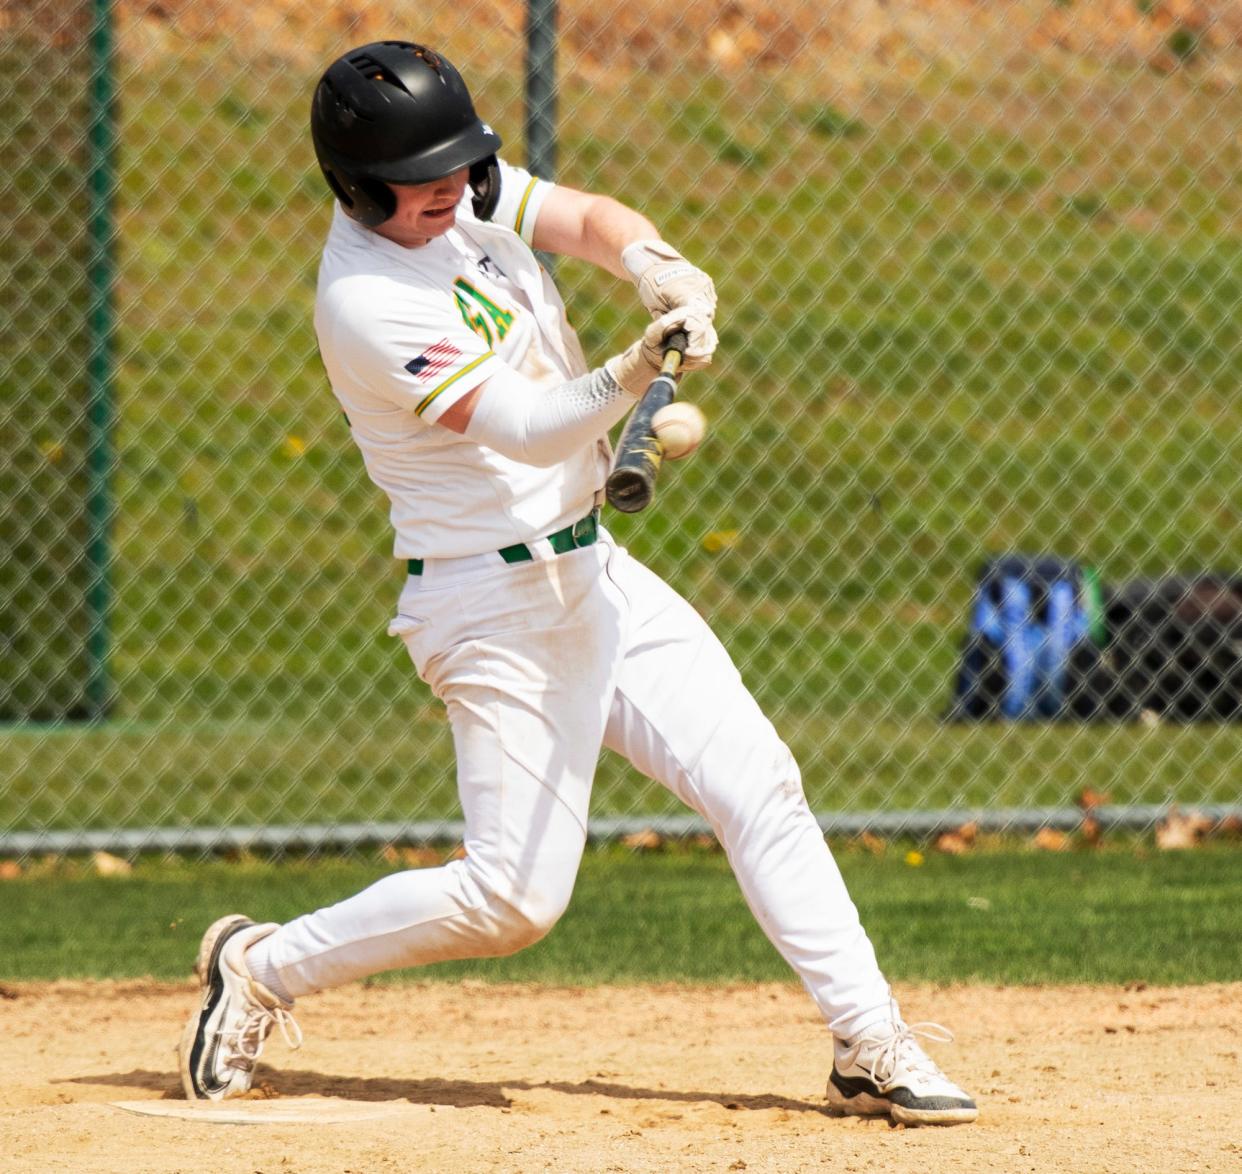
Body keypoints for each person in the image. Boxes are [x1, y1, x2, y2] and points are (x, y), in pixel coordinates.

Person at [177, 40, 978, 1127]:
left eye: (463, 168)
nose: (456, 192)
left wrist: (654, 263)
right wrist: (637, 365)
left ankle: (867, 1040)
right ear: (360, 190)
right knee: (513, 899)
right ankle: (264, 965)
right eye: (425, 183)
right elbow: (523, 424)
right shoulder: (367, 299)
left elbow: (589, 219)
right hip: (489, 607)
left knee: (757, 781)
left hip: (591, 567)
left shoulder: (459, 189)